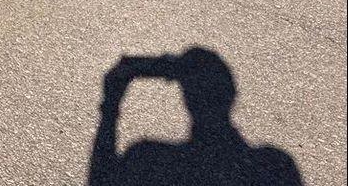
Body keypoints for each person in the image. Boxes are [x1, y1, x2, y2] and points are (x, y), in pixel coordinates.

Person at [89, 47, 302, 185]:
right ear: (232, 94)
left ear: (186, 99)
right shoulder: (275, 166)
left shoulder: (149, 158)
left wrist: (111, 106)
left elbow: (101, 179)